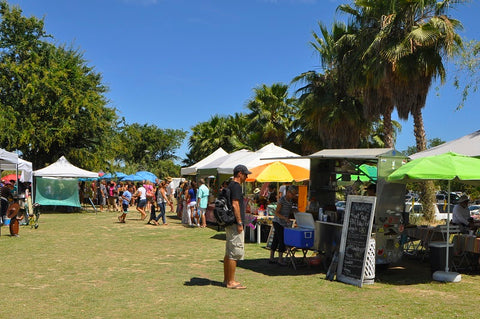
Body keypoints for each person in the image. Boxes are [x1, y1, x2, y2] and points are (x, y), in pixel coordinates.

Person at [223, 164, 251, 289]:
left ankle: (226, 279)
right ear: (239, 173)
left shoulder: (230, 185)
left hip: (229, 222)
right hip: (235, 223)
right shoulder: (236, 186)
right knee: (235, 252)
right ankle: (231, 281)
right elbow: (235, 204)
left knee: (229, 252)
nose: (246, 177)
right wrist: (240, 222)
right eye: (245, 174)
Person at [269, 185, 298, 266]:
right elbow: (277, 212)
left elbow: (288, 209)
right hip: (278, 222)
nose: (293, 196)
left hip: (283, 223)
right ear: (288, 193)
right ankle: (280, 259)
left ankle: (271, 258)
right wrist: (284, 218)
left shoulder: (290, 201)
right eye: (292, 194)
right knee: (281, 240)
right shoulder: (282, 200)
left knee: (276, 239)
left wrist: (294, 210)